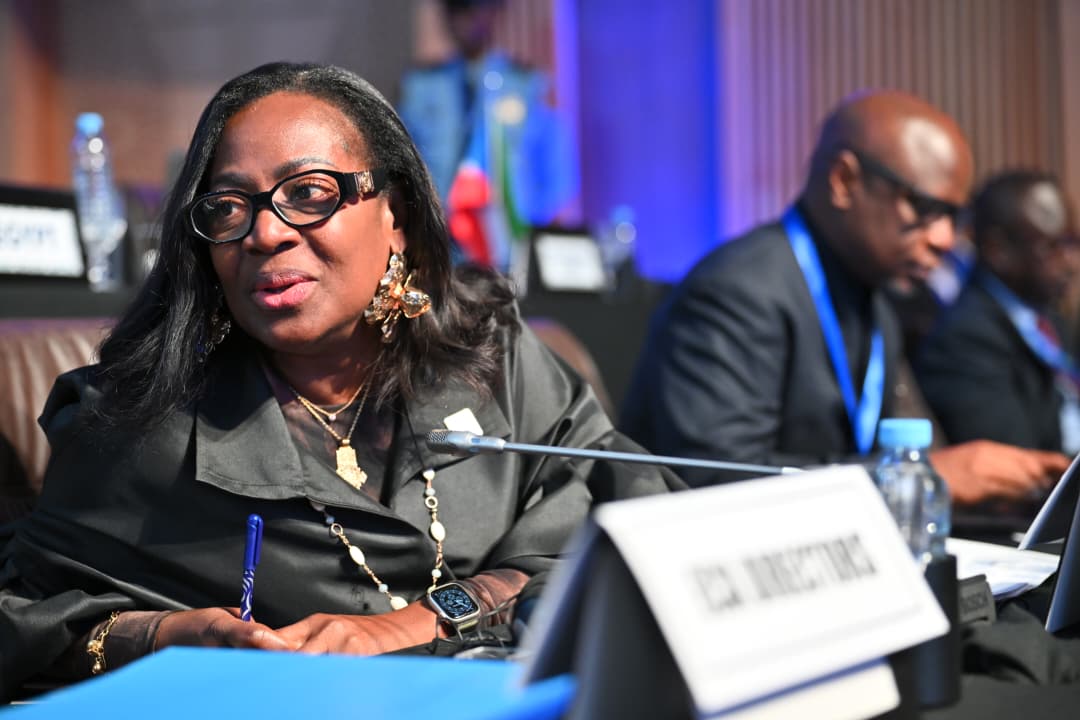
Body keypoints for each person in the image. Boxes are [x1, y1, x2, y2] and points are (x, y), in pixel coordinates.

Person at [0, 62, 674, 700]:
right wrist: (162, 636)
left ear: (396, 214)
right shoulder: (139, 425)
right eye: (228, 207)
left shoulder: (491, 352)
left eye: (308, 193)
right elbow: (26, 619)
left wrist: (427, 619)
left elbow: (637, 522)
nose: (265, 234)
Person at [620, 90, 1070, 501]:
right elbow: (713, 482)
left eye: (954, 217)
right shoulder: (737, 291)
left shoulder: (875, 300)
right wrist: (920, 477)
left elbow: (905, 448)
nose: (945, 238)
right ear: (843, 180)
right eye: (925, 208)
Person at [398, 0, 577, 269]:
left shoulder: (525, 85)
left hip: (508, 247)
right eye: (456, 10)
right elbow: (401, 163)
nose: (464, 21)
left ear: (494, 12)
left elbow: (557, 168)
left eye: (474, 9)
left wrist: (527, 223)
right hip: (441, 246)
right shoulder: (422, 87)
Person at [917, 171, 1080, 454]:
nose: (1071, 263)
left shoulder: (1048, 321)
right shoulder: (964, 340)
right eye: (1052, 248)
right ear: (998, 250)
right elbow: (1016, 466)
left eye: (1073, 244)